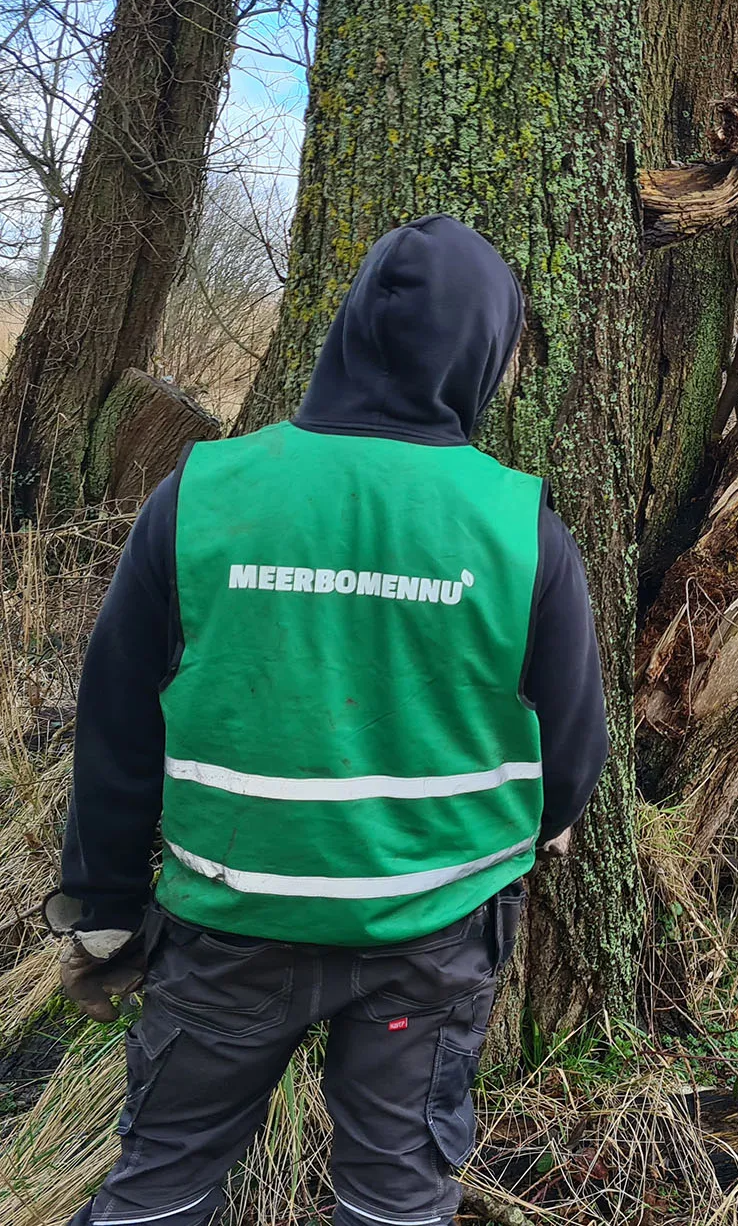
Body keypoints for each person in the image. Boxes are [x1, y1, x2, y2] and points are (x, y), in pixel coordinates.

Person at [44, 214, 609, 1226]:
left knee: (161, 1182)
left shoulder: (203, 492)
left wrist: (101, 906)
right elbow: (569, 759)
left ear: (345, 330)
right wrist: (540, 816)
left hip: (226, 928)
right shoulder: (520, 525)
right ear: (483, 350)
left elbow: (119, 718)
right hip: (429, 942)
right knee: (395, 1196)